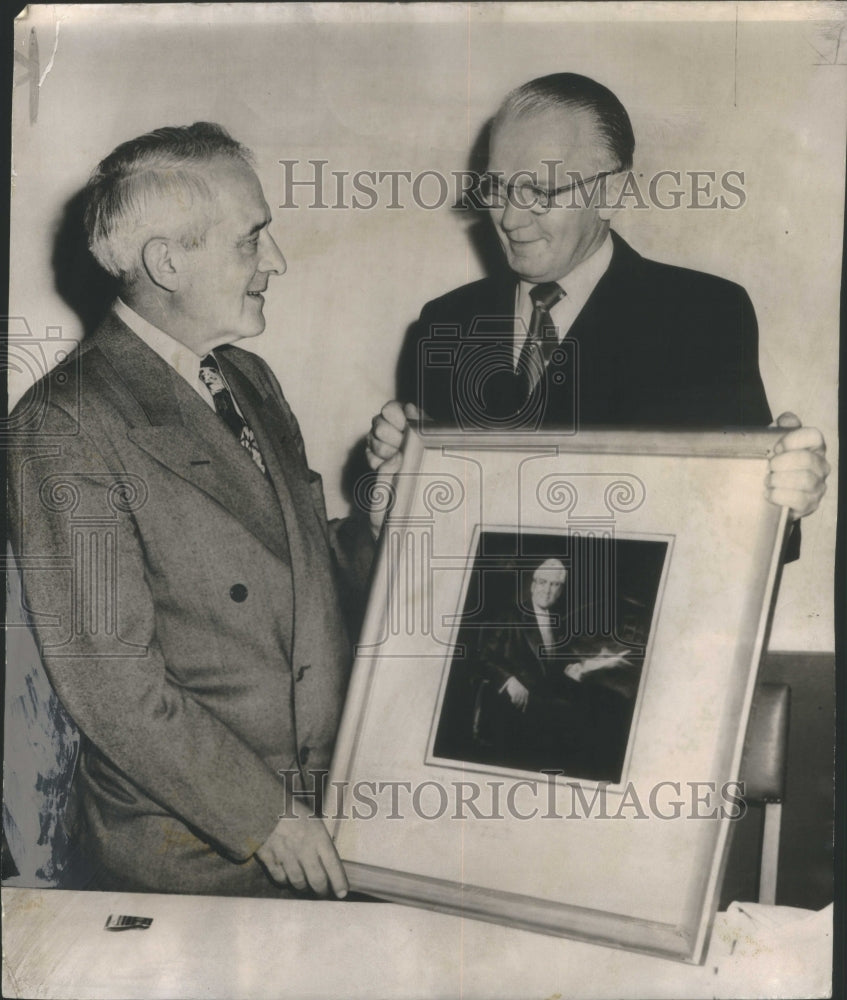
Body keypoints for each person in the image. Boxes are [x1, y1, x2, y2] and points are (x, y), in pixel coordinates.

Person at [6, 123, 383, 899]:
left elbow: (314, 568)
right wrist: (267, 818)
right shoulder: (64, 423)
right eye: (251, 241)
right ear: (166, 262)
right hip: (203, 859)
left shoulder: (249, 379)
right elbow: (111, 683)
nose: (274, 262)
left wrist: (389, 498)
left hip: (331, 814)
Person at [366, 73, 828, 526]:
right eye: (498, 188)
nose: (508, 217)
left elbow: (728, 533)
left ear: (610, 192)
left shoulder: (702, 316)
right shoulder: (445, 320)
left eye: (539, 191)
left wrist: (781, 498)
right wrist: (404, 472)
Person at [469, 559, 635, 782]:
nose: (547, 590)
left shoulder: (558, 624)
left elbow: (554, 666)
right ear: (532, 584)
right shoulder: (510, 616)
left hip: (543, 705)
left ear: (561, 590)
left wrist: (572, 668)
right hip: (512, 708)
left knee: (599, 714)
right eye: (542, 582)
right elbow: (482, 659)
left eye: (555, 585)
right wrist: (509, 681)